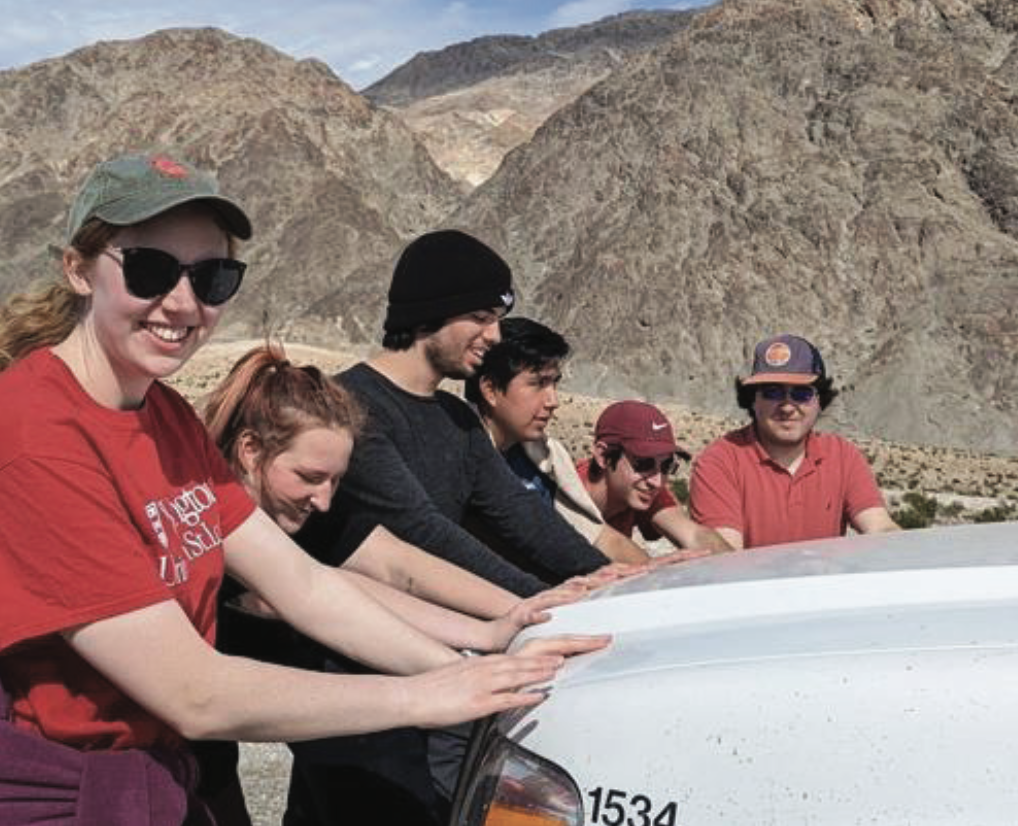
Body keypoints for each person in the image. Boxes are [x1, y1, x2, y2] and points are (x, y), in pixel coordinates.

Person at [0, 155, 602, 825]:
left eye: (211, 276)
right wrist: (429, 694)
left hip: (163, 778)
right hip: (67, 795)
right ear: (78, 269)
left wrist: (484, 647)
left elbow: (306, 586)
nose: (182, 301)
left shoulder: (164, 415)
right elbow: (192, 691)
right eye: (148, 268)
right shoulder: (32, 432)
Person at [194, 344, 592, 825]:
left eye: (336, 482)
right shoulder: (205, 524)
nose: (323, 500)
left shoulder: (301, 513)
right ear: (249, 451)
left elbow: (383, 572)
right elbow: (312, 598)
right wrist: (451, 672)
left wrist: (499, 629)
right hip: (173, 742)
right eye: (309, 477)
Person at [332, 231, 609, 598]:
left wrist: (606, 574)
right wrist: (539, 597)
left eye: (497, 319)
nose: (494, 335)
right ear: (427, 313)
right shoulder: (350, 405)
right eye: (480, 316)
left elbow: (518, 511)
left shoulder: (456, 417)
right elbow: (422, 530)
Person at [688, 333, 901, 549]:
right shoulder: (719, 461)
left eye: (801, 393)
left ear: (820, 401)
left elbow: (880, 528)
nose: (788, 407)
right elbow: (724, 555)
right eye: (772, 392)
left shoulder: (843, 456)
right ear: (753, 401)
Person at [465, 317, 650, 564]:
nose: (553, 401)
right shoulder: (457, 454)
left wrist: (657, 577)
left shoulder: (546, 456)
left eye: (554, 383)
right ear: (490, 390)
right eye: (538, 383)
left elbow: (599, 537)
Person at [567, 400, 733, 562]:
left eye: (666, 466)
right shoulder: (566, 493)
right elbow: (612, 544)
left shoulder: (643, 488)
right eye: (643, 463)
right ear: (603, 457)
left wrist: (739, 572)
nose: (657, 482)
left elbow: (695, 536)